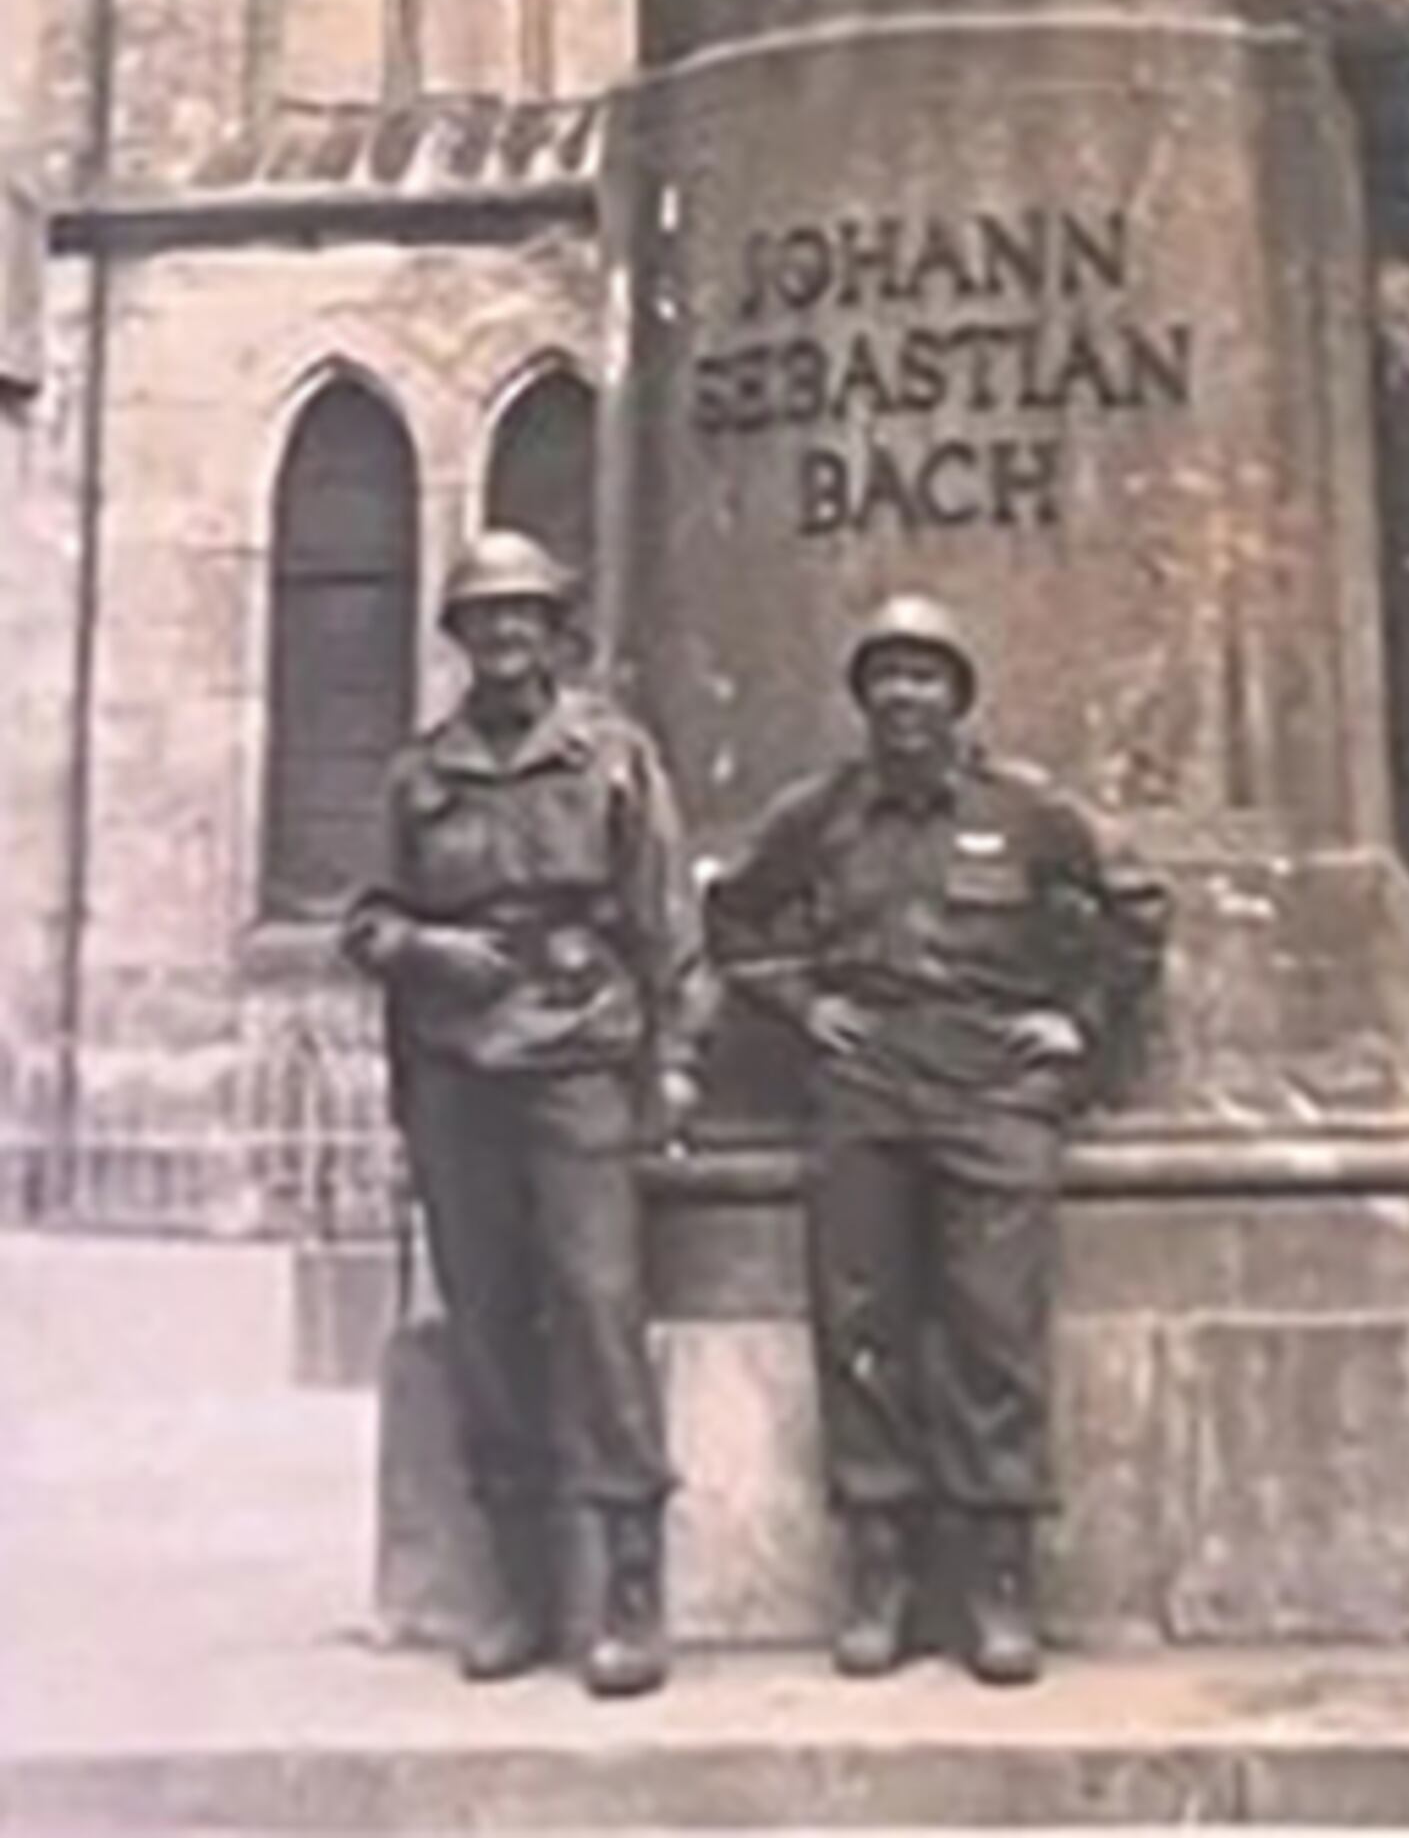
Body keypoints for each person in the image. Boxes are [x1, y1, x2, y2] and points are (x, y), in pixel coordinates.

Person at [705, 595, 1168, 1683]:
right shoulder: (821, 813)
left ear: (959, 698)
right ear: (862, 699)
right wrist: (801, 1003)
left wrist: (1078, 1021)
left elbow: (1138, 903)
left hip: (993, 1092)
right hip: (865, 1086)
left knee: (994, 1332)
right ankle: (879, 1575)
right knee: (862, 1327)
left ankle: (999, 1580)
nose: (904, 696)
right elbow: (734, 914)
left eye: (924, 676)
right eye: (886, 677)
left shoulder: (1027, 810)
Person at [340, 531, 686, 1699]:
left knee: (598, 1308)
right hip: (459, 1070)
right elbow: (366, 920)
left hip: (579, 1059)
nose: (503, 637)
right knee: (488, 1323)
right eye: (484, 619)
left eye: (524, 617)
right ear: (459, 638)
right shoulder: (420, 774)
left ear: (554, 632)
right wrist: (427, 948)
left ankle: (630, 1583)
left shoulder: (612, 758)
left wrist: (675, 1065)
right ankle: (522, 1585)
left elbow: (664, 922)